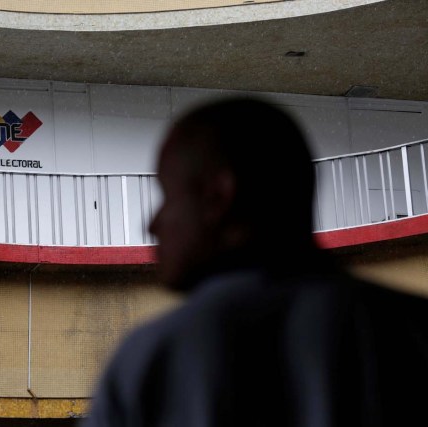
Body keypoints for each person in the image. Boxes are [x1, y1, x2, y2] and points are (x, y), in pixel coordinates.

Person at [82, 98, 428, 427]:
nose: (152, 223)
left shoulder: (150, 361)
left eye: (168, 196)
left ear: (218, 197)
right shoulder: (413, 332)